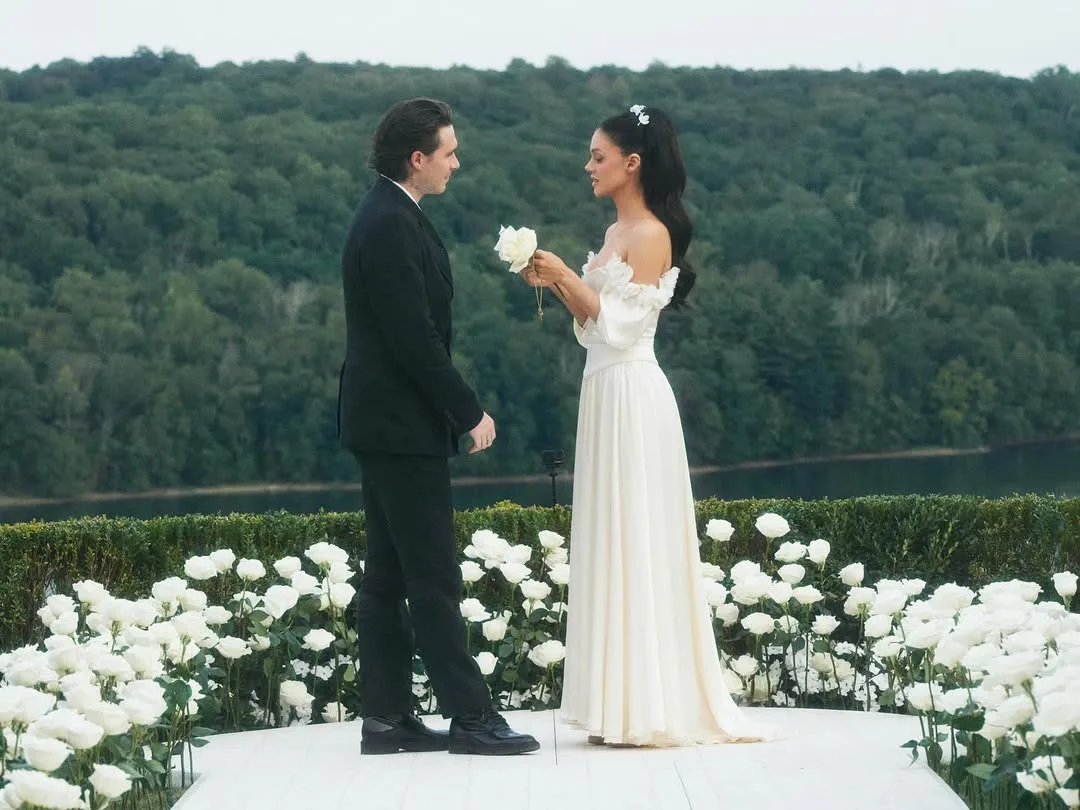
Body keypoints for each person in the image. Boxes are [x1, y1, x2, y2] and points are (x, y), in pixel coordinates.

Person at [524, 105, 772, 747]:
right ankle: (615, 702)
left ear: (632, 163)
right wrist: (554, 283)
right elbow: (590, 327)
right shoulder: (612, 232)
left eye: (598, 156)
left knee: (638, 531)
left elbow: (621, 325)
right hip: (602, 389)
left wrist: (565, 277)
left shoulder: (651, 234)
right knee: (609, 531)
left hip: (633, 392)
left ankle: (650, 703)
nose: (588, 166)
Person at [338, 98, 539, 756]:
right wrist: (468, 411)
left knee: (390, 576)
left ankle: (387, 719)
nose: (457, 162)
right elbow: (414, 340)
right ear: (417, 158)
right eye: (448, 152)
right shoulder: (390, 222)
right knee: (432, 576)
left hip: (386, 423)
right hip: (401, 425)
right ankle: (471, 718)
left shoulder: (393, 213)